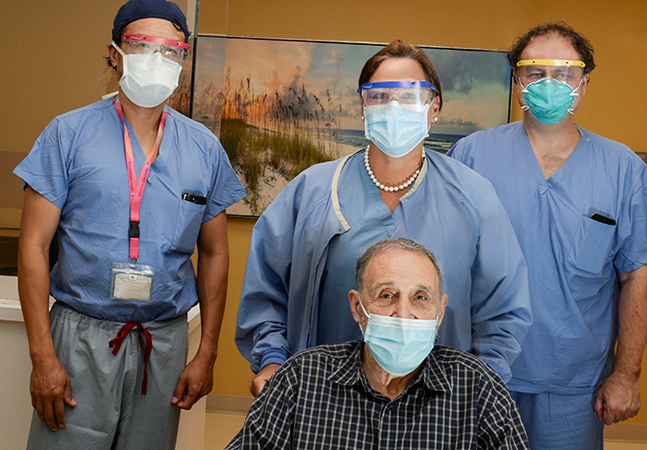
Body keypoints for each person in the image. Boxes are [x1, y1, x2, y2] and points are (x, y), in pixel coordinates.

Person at [236, 39, 532, 397]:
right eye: (379, 96)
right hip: (325, 394)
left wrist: (482, 382)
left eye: (410, 96)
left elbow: (503, 307)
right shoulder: (314, 190)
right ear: (363, 106)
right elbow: (266, 287)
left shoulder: (473, 196)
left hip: (440, 400)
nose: (394, 107)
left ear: (434, 107)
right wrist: (271, 358)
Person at [14, 0, 245, 448]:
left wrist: (207, 351)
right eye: (141, 45)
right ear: (116, 52)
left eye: (170, 49)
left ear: (184, 58)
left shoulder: (204, 148)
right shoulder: (68, 134)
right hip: (80, 335)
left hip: (164, 341)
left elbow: (216, 252)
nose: (156, 60)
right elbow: (33, 247)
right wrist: (42, 355)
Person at [448, 22, 647, 449]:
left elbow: (638, 276)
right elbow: (439, 262)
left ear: (584, 82)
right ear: (517, 81)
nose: (549, 83)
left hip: (574, 387)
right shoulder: (472, 155)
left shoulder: (621, 168)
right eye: (535, 72)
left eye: (564, 73)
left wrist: (627, 374)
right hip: (479, 372)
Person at [227, 238, 530, 449]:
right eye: (387, 295)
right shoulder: (300, 378)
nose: (403, 313)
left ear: (439, 313)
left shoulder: (479, 387)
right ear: (358, 308)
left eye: (420, 298)